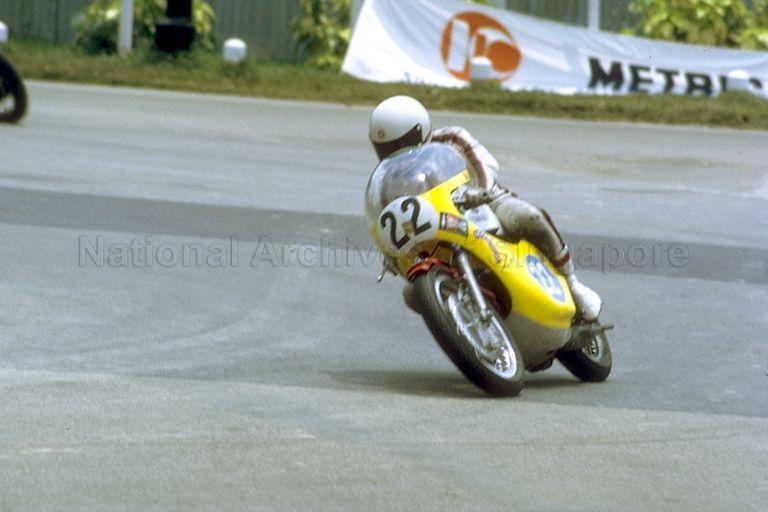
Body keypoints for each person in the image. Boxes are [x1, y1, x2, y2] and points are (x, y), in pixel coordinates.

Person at [369, 95, 601, 321]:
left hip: (483, 202)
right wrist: (390, 250)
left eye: (399, 144)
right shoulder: (386, 178)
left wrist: (478, 190)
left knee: (530, 217)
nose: (395, 152)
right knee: (412, 295)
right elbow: (388, 215)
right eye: (386, 148)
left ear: (421, 131)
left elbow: (484, 163)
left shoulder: (451, 138)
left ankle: (573, 285)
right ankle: (468, 327)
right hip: (437, 229)